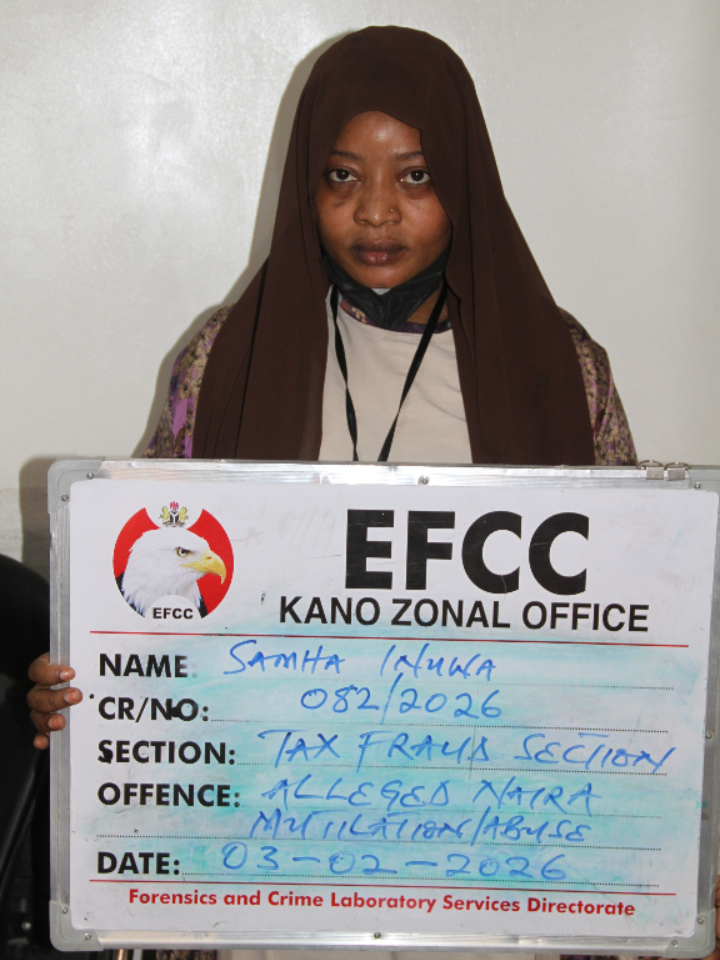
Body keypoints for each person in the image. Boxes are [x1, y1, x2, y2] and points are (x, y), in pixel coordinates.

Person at [26, 25, 660, 960]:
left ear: (464, 179)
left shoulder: (560, 371)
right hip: (263, 896)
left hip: (499, 895)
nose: (375, 212)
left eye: (415, 176)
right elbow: (146, 611)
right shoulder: (226, 360)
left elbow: (635, 641)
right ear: (305, 186)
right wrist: (84, 686)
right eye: (340, 177)